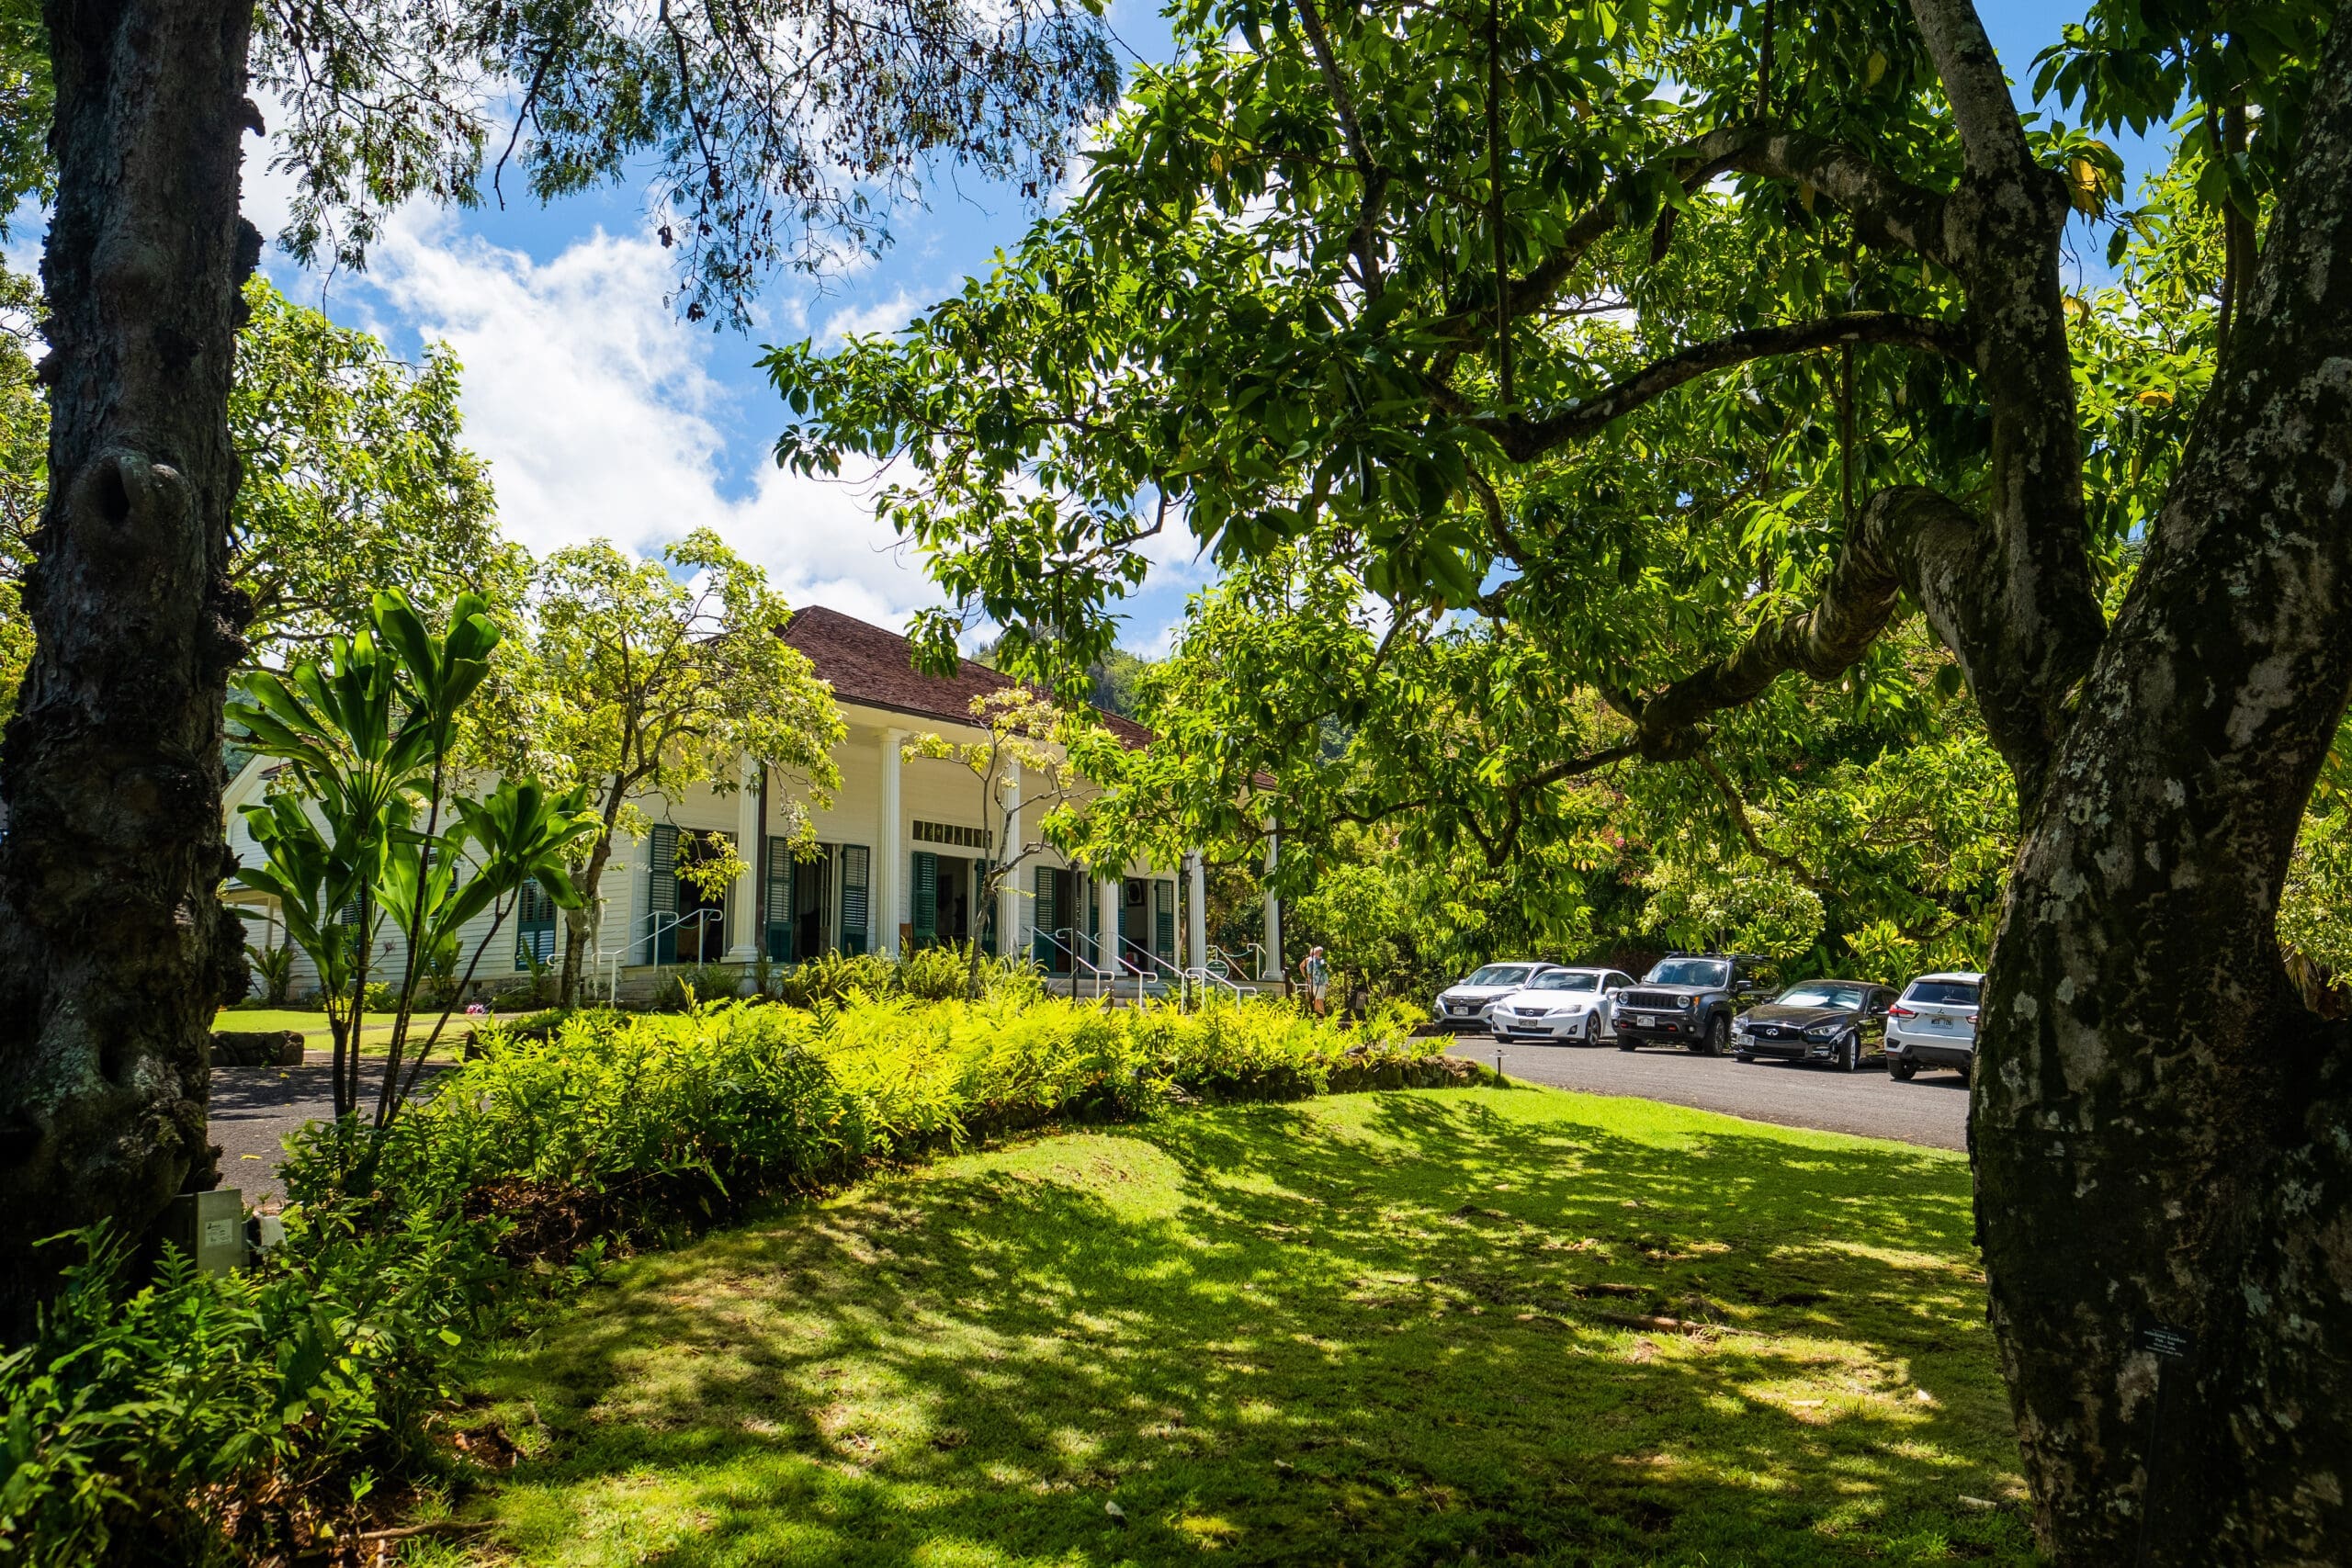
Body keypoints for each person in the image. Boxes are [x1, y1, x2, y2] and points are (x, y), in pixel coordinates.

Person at [1300, 945, 1330, 1019]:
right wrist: (1306, 977)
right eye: (1319, 952)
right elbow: (1302, 967)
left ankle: (1319, 1015)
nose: (1320, 953)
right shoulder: (1310, 960)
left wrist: (1326, 981)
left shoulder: (1321, 961)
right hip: (1315, 983)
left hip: (1320, 982)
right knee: (1318, 999)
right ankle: (1321, 1015)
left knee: (1318, 999)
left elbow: (1326, 970)